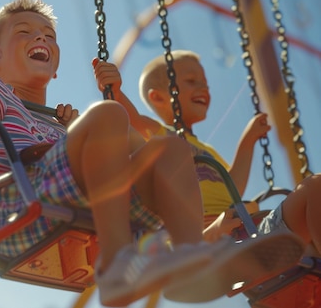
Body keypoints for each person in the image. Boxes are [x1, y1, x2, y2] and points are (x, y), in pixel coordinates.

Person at [0, 0, 301, 307]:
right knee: (107, 115)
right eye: (23, 31)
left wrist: (96, 116)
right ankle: (118, 266)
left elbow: (141, 153)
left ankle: (192, 256)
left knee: (171, 148)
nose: (40, 37)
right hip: (17, 210)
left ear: (55, 69)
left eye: (48, 35)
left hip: (72, 204)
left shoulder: (61, 125)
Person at [93, 50, 311, 301]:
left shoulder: (209, 153)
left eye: (205, 83)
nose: (203, 88)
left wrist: (248, 140)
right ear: (158, 97)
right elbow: (133, 120)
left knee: (313, 188)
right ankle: (202, 244)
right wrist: (115, 91)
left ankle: (302, 253)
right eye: (191, 81)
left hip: (244, 226)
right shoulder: (161, 134)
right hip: (201, 227)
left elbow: (232, 189)